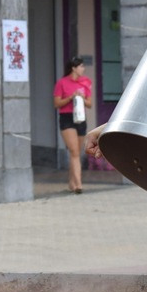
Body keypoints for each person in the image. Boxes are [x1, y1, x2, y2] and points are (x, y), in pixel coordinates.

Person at [53, 56, 92, 194]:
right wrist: (70, 97)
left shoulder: (86, 82)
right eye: (81, 66)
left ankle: (72, 182)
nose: (83, 69)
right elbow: (57, 103)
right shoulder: (62, 83)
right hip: (67, 117)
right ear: (73, 68)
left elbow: (90, 104)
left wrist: (81, 97)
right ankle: (79, 184)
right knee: (74, 151)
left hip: (80, 117)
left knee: (76, 153)